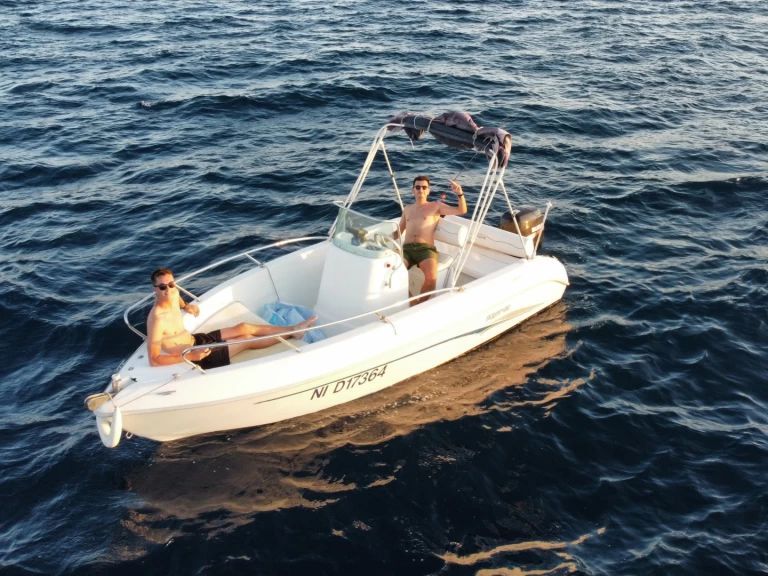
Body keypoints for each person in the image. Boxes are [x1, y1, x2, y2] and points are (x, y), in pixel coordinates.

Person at [146, 268, 316, 370]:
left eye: (171, 284)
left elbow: (177, 298)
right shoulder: (157, 319)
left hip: (197, 340)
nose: (168, 290)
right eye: (162, 287)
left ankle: (294, 329)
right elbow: (154, 360)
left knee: (244, 327)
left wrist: (186, 306)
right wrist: (191, 357)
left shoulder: (173, 294)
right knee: (246, 339)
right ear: (155, 290)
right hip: (197, 355)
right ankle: (293, 333)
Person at [396, 176, 467, 305]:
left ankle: (418, 306)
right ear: (413, 190)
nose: (421, 190)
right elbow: (398, 232)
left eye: (424, 187)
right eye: (417, 187)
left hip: (426, 250)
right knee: (395, 276)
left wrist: (459, 194)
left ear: (428, 191)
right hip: (406, 249)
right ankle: (411, 304)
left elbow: (461, 210)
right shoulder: (407, 209)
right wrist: (386, 243)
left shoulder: (436, 206)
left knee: (431, 279)